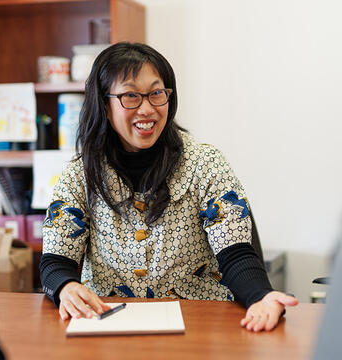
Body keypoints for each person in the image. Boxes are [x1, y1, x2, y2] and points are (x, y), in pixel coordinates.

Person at [40, 42, 298, 332]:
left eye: (156, 93)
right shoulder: (81, 173)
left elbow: (236, 253)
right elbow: (55, 261)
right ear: (103, 103)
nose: (147, 109)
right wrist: (65, 287)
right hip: (107, 329)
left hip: (199, 329)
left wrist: (261, 297)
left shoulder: (205, 163)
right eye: (130, 96)